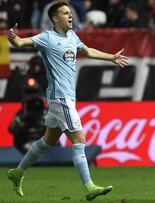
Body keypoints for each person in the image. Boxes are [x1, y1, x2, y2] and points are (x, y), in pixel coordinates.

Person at [6, 1, 128, 201]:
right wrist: (12, 37)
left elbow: (87, 51)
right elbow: (19, 43)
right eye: (65, 13)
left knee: (48, 141)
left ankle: (18, 172)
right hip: (60, 98)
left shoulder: (72, 36)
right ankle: (89, 187)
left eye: (70, 13)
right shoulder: (47, 37)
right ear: (55, 18)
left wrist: (111, 57)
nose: (70, 16)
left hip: (64, 99)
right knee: (79, 140)